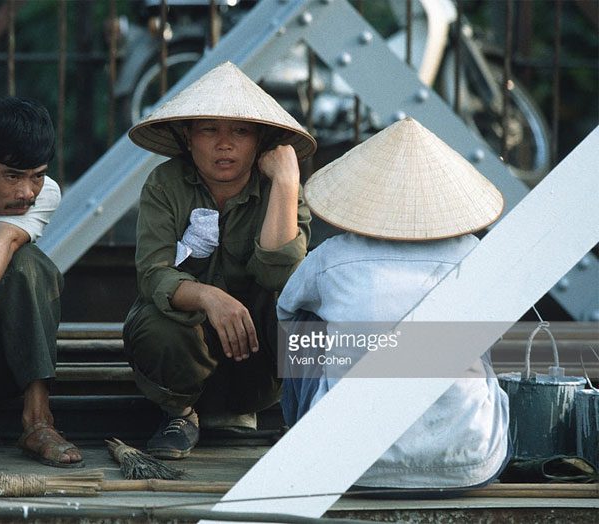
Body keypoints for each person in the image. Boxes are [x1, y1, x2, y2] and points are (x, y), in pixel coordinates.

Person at [278, 117, 510, 491]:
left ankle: (303, 437)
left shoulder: (332, 256)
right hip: (468, 462)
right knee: (475, 338)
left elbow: (287, 313)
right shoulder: (475, 253)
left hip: (342, 464)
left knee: (306, 325)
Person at [123, 61, 317, 459]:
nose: (224, 144)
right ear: (188, 136)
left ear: (260, 142)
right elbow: (154, 275)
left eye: (241, 132)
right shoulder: (165, 184)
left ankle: (301, 417)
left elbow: (279, 273)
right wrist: (209, 297)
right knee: (153, 319)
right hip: (188, 356)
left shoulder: (281, 188)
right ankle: (180, 415)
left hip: (259, 365)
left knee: (301, 307)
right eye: (209, 130)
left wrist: (284, 181)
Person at [0, 96, 82, 468]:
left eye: (37, 174)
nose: (27, 192)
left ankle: (37, 421)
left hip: (2, 361)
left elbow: (4, 240)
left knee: (28, 264)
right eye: (12, 176)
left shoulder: (44, 194)